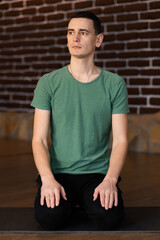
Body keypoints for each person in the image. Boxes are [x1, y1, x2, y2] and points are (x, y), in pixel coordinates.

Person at [31, 11, 129, 230]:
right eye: (71, 32)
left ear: (98, 40)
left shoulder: (114, 84)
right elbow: (39, 140)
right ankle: (79, 203)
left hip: (97, 173)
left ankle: (86, 201)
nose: (75, 38)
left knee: (109, 219)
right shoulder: (48, 83)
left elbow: (121, 140)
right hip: (59, 172)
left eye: (83, 33)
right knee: (48, 218)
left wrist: (111, 180)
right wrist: (47, 179)